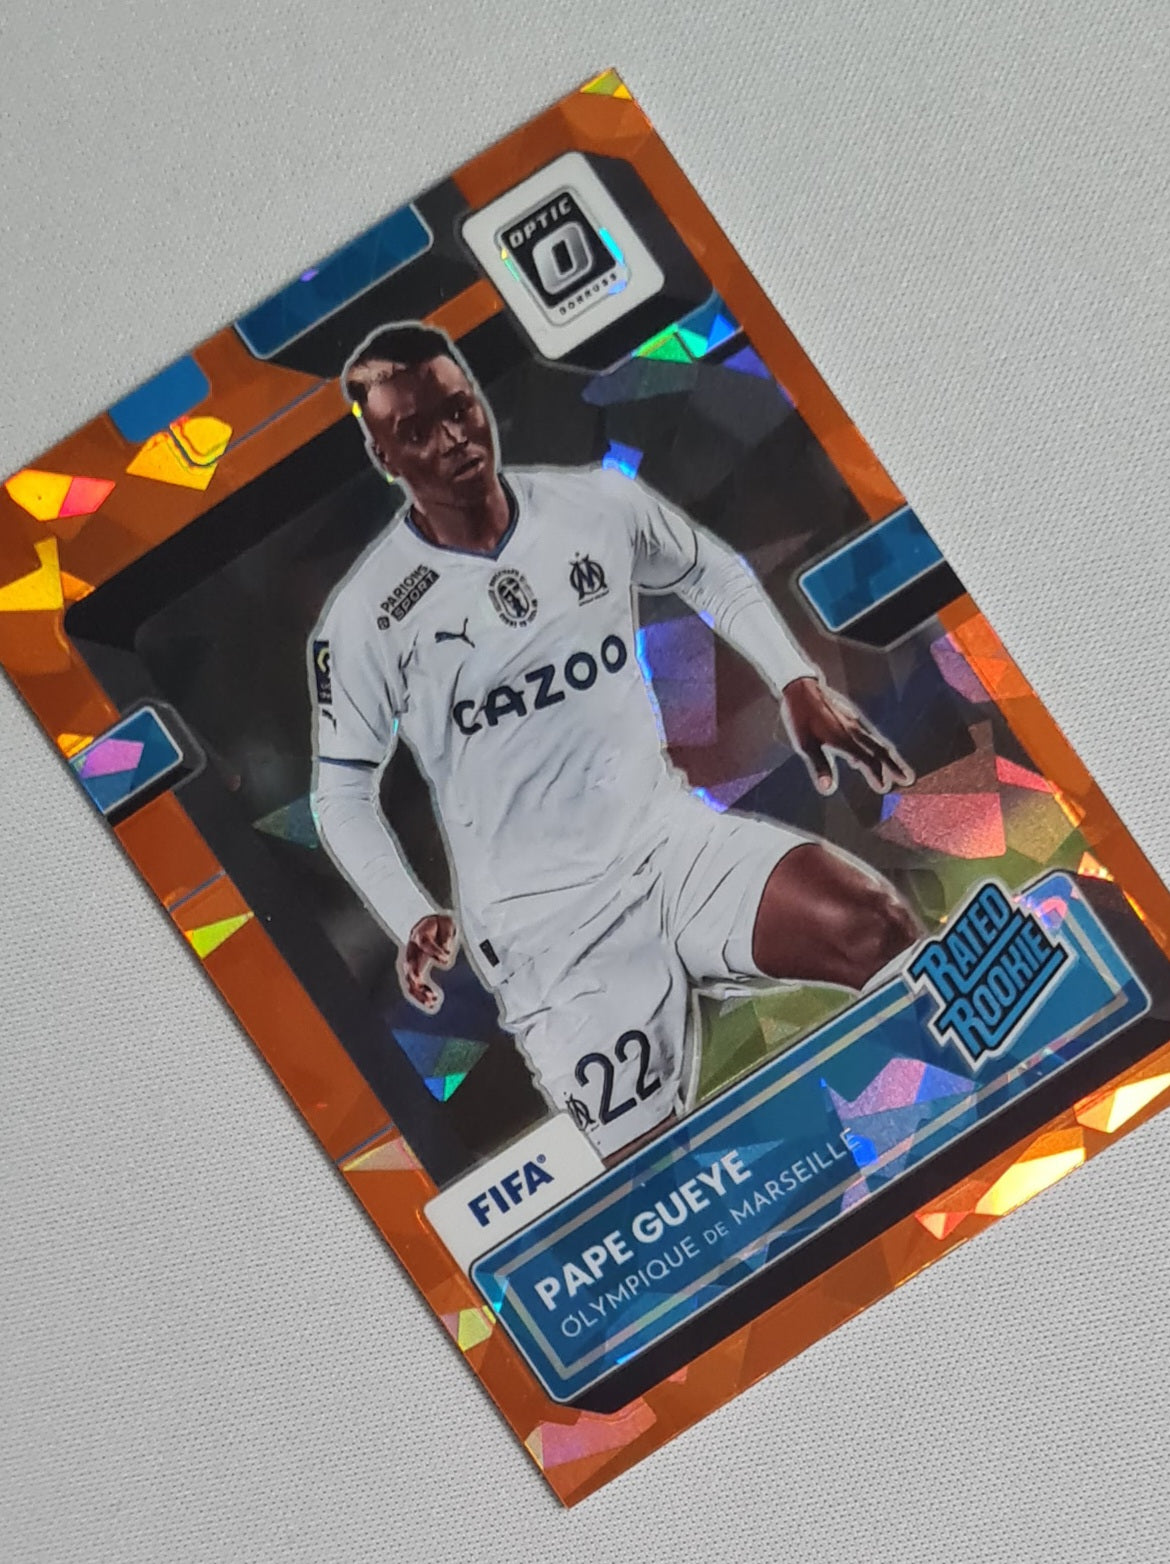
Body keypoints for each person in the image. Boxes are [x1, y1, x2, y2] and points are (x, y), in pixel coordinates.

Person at [309, 321, 918, 1159]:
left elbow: (706, 567)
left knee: (873, 923)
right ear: (385, 456)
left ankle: (950, 1140)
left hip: (667, 844)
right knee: (654, 1180)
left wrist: (795, 680)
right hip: (547, 932)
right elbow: (341, 791)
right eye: (417, 431)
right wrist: (410, 911)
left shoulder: (595, 503)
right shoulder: (368, 615)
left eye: (459, 409)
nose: (452, 438)